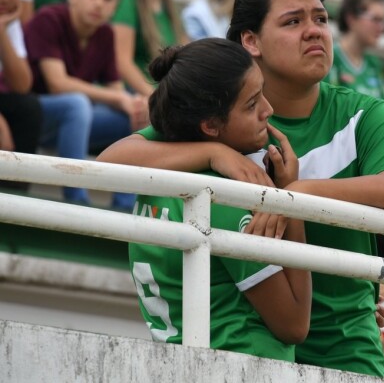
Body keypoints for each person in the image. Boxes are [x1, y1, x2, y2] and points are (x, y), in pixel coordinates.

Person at [98, 0, 384, 377]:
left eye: (320, 18)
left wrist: (293, 197)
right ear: (251, 40)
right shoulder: (219, 108)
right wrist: (212, 151)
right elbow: (107, 165)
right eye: (293, 21)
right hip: (255, 355)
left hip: (344, 350)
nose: (315, 31)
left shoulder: (363, 114)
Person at [130, 38, 311, 360]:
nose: (268, 110)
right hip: (248, 363)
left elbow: (102, 163)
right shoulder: (224, 197)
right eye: (252, 104)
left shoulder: (153, 177)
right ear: (210, 125)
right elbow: (294, 325)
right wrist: (290, 201)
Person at [24, 0, 146, 208]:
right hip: (33, 116)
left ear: (114, 7)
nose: (99, 3)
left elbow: (115, 89)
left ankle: (125, 204)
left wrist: (131, 103)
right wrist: (119, 97)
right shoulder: (48, 19)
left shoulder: (105, 35)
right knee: (76, 103)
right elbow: (58, 84)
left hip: (75, 124)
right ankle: (76, 201)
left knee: (131, 115)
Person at [105, 0, 187, 96]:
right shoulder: (128, 1)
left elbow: (187, 53)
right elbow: (122, 62)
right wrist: (155, 98)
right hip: (139, 94)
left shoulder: (168, 2)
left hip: (166, 93)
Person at [0, 0, 43, 191]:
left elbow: (22, 84)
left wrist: (1, 31)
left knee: (28, 108)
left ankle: (16, 199)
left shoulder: (10, 22)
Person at [325, 0, 384, 101]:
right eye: (375, 19)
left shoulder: (374, 64)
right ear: (351, 19)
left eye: (383, 21)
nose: (382, 27)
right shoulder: (330, 57)